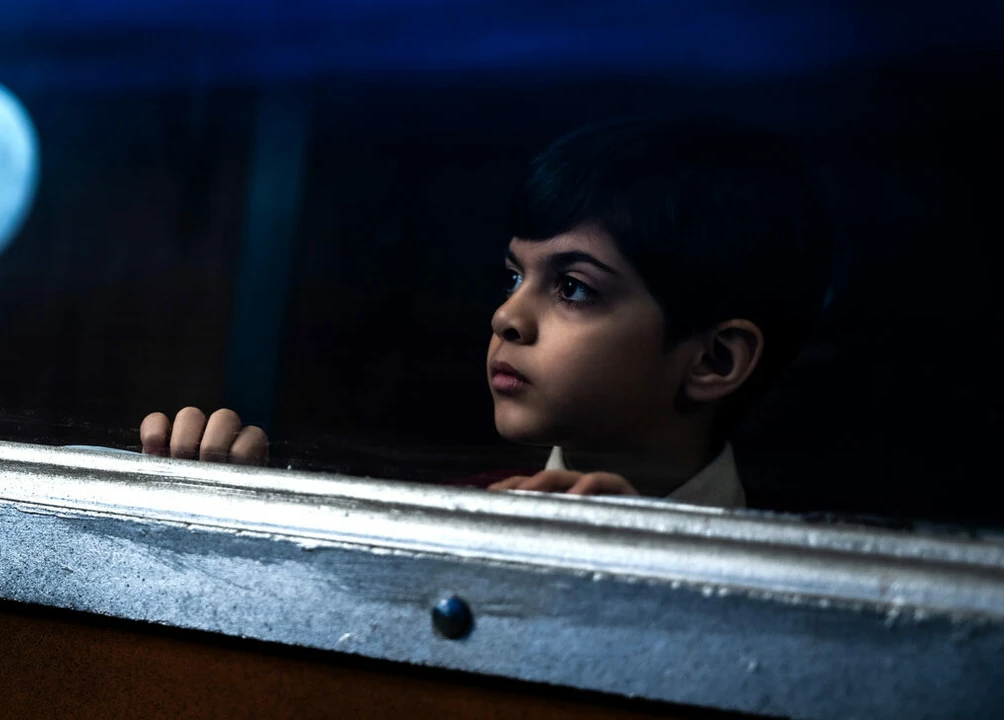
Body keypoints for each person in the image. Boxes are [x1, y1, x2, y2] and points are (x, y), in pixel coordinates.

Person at [140, 117, 834, 509]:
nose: (507, 318)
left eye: (574, 289)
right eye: (514, 277)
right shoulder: (457, 512)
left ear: (714, 359)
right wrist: (224, 511)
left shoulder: (802, 583)